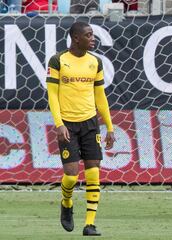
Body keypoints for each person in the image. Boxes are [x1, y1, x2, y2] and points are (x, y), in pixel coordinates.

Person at [46, 21, 115, 235]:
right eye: (89, 35)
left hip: (90, 123)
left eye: (93, 35)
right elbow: (53, 95)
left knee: (94, 170)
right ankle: (66, 202)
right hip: (67, 124)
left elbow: (100, 97)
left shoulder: (95, 62)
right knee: (71, 175)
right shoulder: (58, 61)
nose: (93, 39)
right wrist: (59, 124)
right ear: (76, 38)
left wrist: (110, 128)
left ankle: (90, 224)